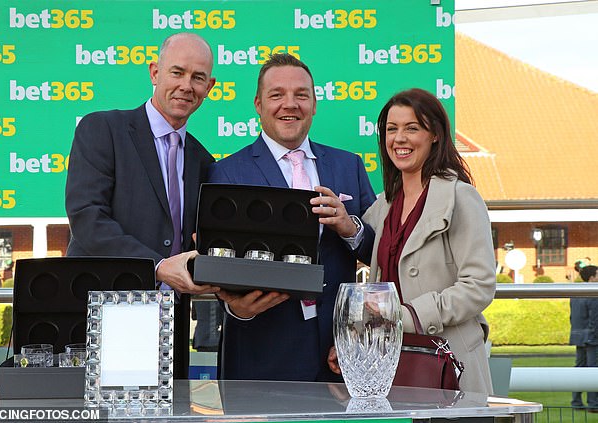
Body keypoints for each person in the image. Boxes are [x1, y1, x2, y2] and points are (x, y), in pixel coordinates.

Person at [208, 53, 377, 382]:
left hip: (338, 350)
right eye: (277, 95)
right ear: (258, 104)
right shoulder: (226, 171)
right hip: (260, 348)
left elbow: (378, 252)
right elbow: (215, 258)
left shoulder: (349, 165)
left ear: (314, 104)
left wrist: (349, 228)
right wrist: (233, 307)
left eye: (302, 95)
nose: (290, 104)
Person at [65, 32, 220, 379]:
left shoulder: (203, 161)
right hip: (98, 318)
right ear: (154, 72)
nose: (186, 85)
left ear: (209, 87)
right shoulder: (102, 129)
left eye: (197, 78)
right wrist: (158, 266)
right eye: (177, 72)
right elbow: (87, 218)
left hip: (169, 329)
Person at [336, 88, 496, 393]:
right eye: (392, 129)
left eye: (412, 128)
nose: (400, 138)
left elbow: (479, 286)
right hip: (392, 362)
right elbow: (366, 253)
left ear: (435, 134)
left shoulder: (461, 198)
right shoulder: (383, 205)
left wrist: (407, 315)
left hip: (449, 361)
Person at [570, 265, 598, 411]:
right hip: (591, 337)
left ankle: (576, 402)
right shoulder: (593, 293)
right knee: (593, 370)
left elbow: (572, 316)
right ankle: (593, 404)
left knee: (579, 368)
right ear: (592, 277)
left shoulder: (575, 292)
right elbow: (595, 318)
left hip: (578, 335)